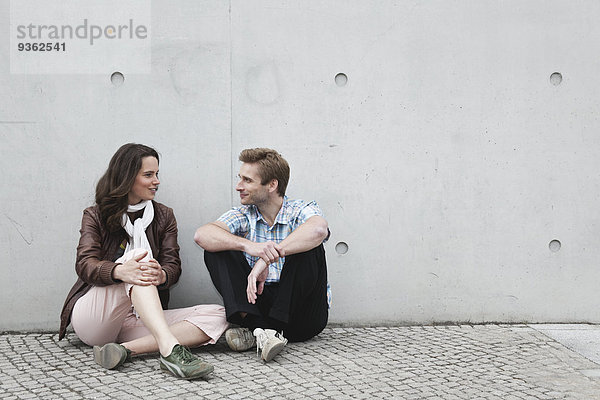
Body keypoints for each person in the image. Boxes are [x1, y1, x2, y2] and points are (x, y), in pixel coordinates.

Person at [59, 143, 228, 380]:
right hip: (96, 318)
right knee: (138, 257)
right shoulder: (95, 215)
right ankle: (170, 350)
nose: (156, 181)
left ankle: (125, 350)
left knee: (219, 314)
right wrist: (120, 271)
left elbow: (173, 265)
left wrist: (163, 276)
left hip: (136, 321)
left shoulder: (164, 216)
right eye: (148, 175)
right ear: (127, 178)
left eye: (157, 174)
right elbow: (85, 264)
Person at [194, 148, 330, 362]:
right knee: (217, 248)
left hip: (302, 317)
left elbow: (319, 230)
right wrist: (249, 246)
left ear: (272, 185)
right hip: (261, 306)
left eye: (247, 180)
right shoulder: (243, 214)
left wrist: (266, 258)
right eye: (240, 179)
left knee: (310, 244)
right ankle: (263, 332)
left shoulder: (300, 209)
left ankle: (258, 331)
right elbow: (202, 235)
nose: (239, 186)